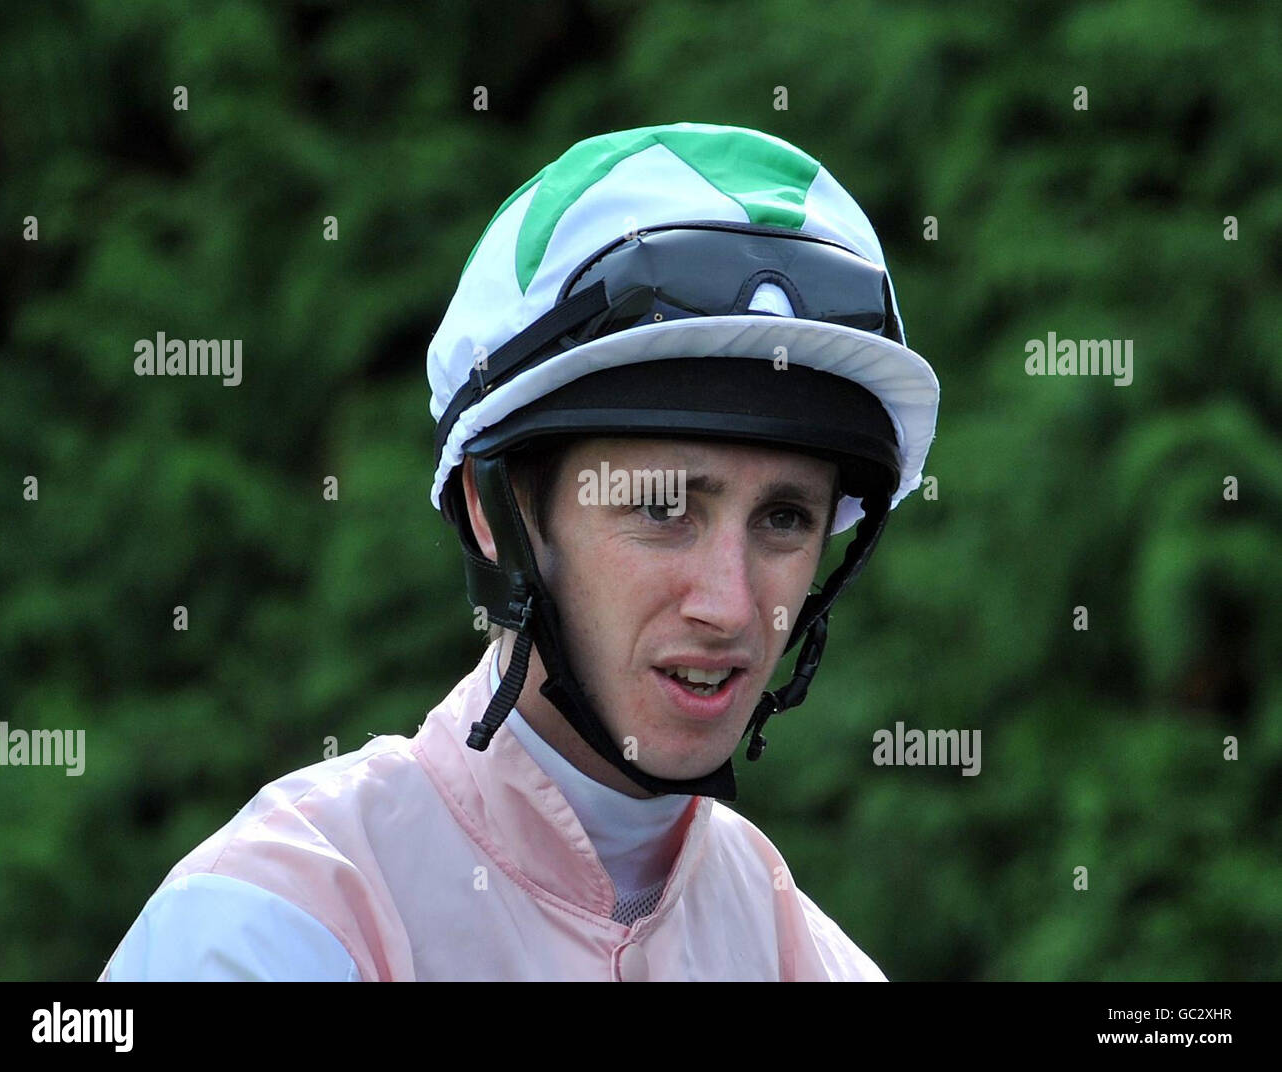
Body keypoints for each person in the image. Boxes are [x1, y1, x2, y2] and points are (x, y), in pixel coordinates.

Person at [98, 121, 939, 981]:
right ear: (495, 511)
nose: (729, 604)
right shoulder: (266, 926)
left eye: (786, 519)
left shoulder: (814, 961)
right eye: (662, 508)